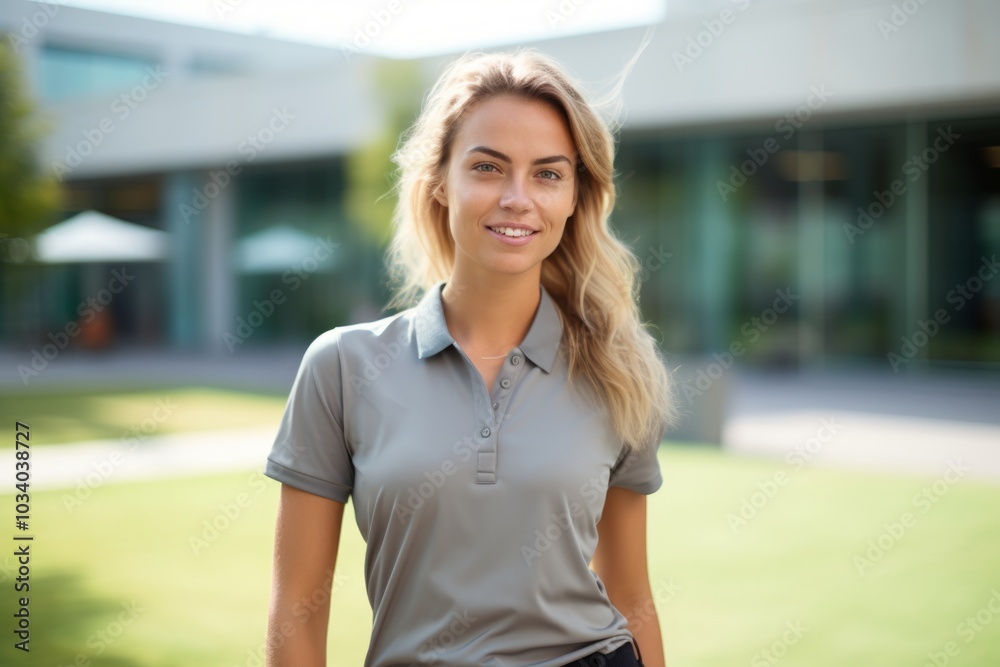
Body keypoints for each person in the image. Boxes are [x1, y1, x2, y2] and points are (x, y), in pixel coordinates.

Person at [263, 48, 676, 667]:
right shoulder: (342, 367)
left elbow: (632, 593)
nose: (518, 198)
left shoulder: (617, 367)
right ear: (440, 181)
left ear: (574, 197)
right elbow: (296, 608)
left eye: (548, 173)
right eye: (487, 167)